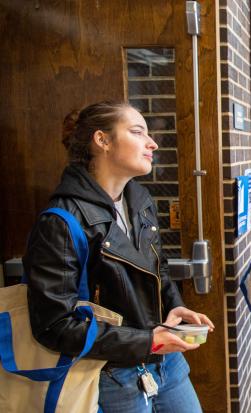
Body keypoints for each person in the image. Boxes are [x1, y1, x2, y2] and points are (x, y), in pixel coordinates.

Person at [23, 101, 215, 412]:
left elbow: (159, 268)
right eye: (138, 132)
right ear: (103, 140)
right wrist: (146, 341)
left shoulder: (139, 199)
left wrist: (175, 306)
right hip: (111, 376)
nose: (152, 143)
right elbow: (54, 325)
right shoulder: (60, 221)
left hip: (167, 364)